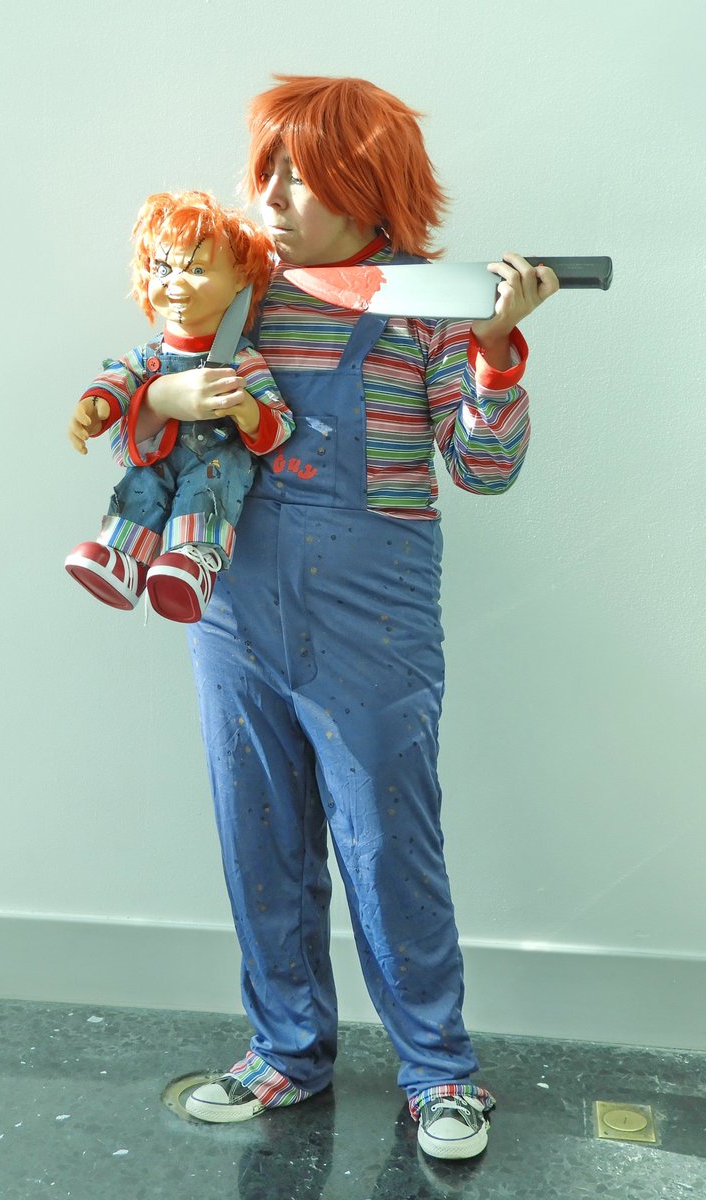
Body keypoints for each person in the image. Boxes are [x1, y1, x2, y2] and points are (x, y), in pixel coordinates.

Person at [127, 75, 559, 1159]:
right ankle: (284, 1050)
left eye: (302, 174)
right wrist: (161, 397)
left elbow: (485, 467)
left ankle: (438, 1073)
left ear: (368, 186)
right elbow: (148, 410)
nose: (271, 197)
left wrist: (496, 350)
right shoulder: (237, 289)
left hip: (373, 620)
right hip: (231, 606)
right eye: (263, 171)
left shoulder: (430, 303)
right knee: (258, 838)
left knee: (386, 843)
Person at [64, 191, 294, 622]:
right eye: (163, 268)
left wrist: (247, 410)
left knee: (209, 487)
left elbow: (279, 423)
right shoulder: (149, 356)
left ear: (241, 281)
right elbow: (120, 377)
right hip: (158, 456)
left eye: (197, 269)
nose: (174, 282)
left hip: (214, 461)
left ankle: (193, 561)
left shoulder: (242, 359)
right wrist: (96, 406)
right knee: (141, 485)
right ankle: (124, 561)